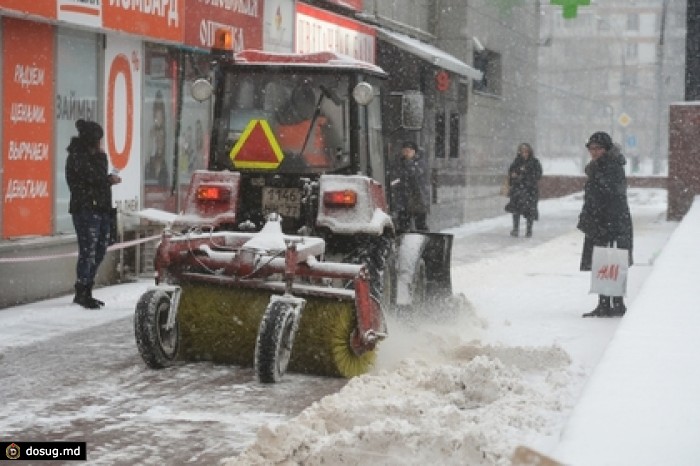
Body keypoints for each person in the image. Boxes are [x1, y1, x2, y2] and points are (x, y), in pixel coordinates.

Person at [65, 119, 122, 309]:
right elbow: (90, 179)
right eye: (98, 140)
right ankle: (82, 290)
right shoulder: (76, 157)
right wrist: (107, 180)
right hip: (85, 209)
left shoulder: (98, 157)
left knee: (100, 249)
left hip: (102, 208)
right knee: (88, 250)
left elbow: (98, 179)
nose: (101, 145)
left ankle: (88, 286)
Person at [577, 131, 633, 318]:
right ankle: (603, 303)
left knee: (614, 260)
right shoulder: (597, 166)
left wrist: (605, 221)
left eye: (598, 148)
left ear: (606, 149)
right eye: (591, 148)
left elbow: (611, 195)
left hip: (612, 221)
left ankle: (616, 303)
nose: (593, 152)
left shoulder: (612, 166)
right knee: (602, 261)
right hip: (600, 220)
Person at [391, 140, 430, 232]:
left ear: (414, 152)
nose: (406, 153)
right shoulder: (398, 162)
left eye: (408, 151)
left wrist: (408, 161)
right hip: (403, 199)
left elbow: (414, 173)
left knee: (420, 224)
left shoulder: (420, 162)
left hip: (418, 198)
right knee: (403, 224)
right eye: (404, 151)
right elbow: (396, 175)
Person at [505, 143, 542, 237]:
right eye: (522, 151)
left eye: (526, 151)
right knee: (515, 210)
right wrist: (516, 173)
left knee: (530, 211)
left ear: (529, 152)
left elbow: (538, 175)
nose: (524, 153)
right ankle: (515, 229)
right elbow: (511, 173)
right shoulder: (516, 161)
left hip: (530, 190)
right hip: (518, 189)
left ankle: (529, 231)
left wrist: (526, 174)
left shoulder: (534, 162)